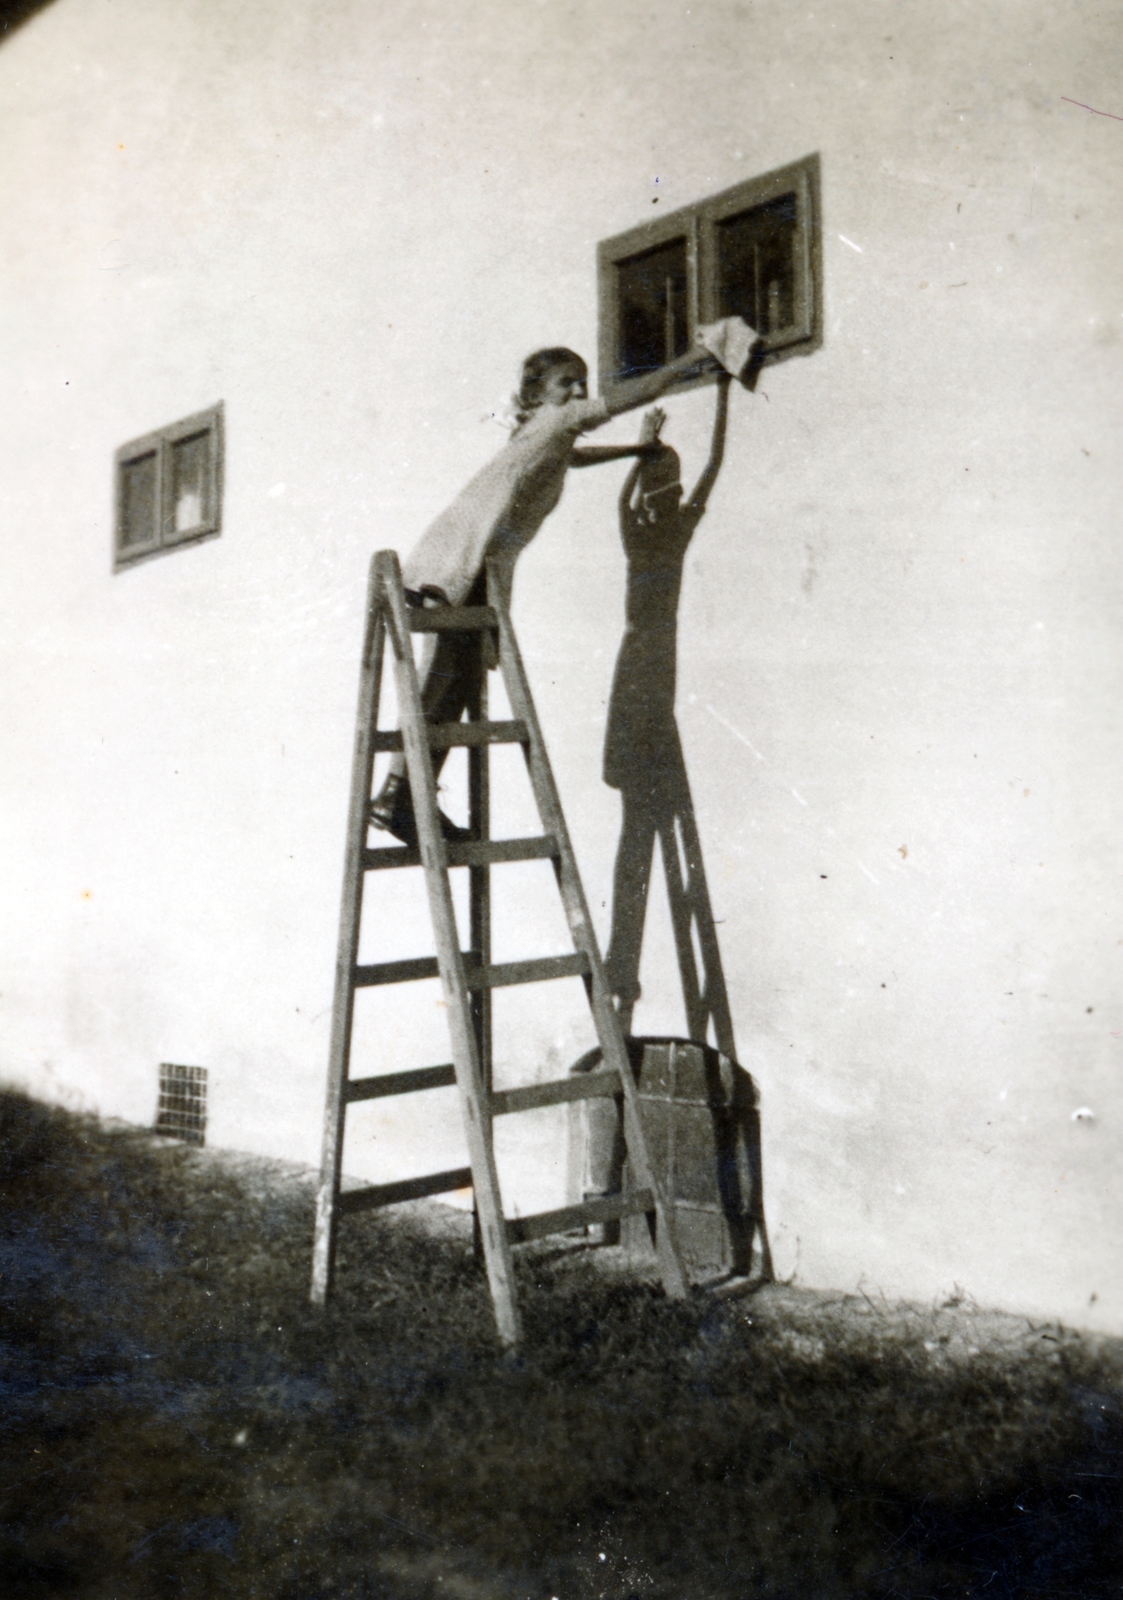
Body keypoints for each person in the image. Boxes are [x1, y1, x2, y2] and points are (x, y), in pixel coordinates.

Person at [371, 340, 722, 845]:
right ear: (538, 394)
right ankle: (399, 797)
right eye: (568, 383)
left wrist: (637, 450)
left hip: (468, 561)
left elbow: (572, 460)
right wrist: (696, 357)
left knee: (452, 682)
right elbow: (637, 392)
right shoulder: (554, 422)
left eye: (584, 382)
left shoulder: (542, 431)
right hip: (461, 564)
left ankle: (399, 796)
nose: (581, 391)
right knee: (446, 684)